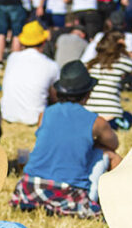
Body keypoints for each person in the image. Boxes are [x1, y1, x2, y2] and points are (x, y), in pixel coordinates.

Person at [11, 60, 120, 218]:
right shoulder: (96, 122)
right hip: (69, 194)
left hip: (29, 189)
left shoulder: (45, 114)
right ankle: (119, 201)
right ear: (88, 93)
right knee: (109, 154)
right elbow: (114, 144)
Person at [84, 30, 132, 129]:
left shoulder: (90, 64)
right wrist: (126, 51)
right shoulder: (121, 62)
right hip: (111, 118)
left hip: (90, 118)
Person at [1, 21, 60, 125]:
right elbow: (55, 97)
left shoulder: (12, 58)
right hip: (35, 119)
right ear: (43, 42)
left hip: (7, 115)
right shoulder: (51, 65)